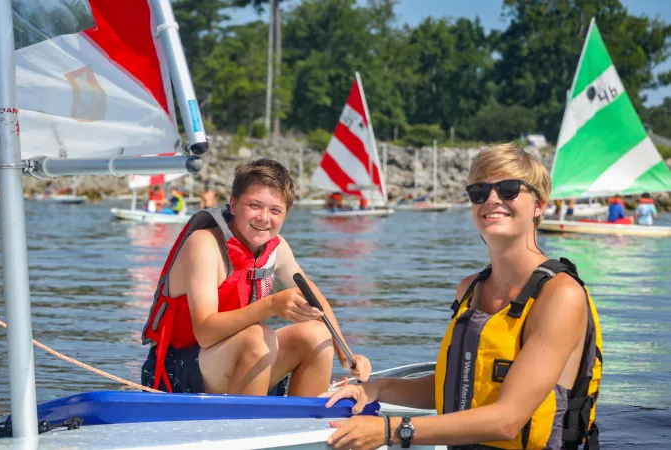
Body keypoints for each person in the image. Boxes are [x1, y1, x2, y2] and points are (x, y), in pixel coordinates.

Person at [323, 144, 602, 450]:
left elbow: (508, 420)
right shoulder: (469, 290)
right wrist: (376, 388)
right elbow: (457, 385)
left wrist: (391, 429)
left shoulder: (559, 295)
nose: (492, 200)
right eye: (479, 192)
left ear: (539, 205)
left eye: (508, 190)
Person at [141, 159, 371, 396]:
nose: (264, 217)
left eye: (275, 210)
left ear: (285, 215)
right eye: (254, 205)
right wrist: (270, 305)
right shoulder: (204, 244)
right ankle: (250, 426)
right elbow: (205, 333)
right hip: (174, 375)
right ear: (233, 205)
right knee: (258, 337)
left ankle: (303, 423)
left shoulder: (278, 247)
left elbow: (315, 298)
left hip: (229, 361)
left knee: (317, 334)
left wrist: (346, 354)